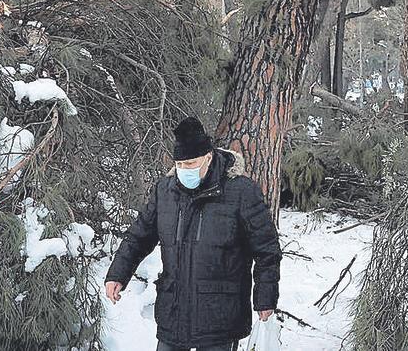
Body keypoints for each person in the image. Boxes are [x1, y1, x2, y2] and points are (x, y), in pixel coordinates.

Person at [104, 116, 282, 351]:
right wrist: (118, 274)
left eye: (190, 164)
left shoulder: (241, 192)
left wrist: (264, 298)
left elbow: (267, 250)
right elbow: (139, 236)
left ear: (208, 157)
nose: (184, 170)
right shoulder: (165, 191)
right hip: (174, 312)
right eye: (179, 165)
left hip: (220, 316)